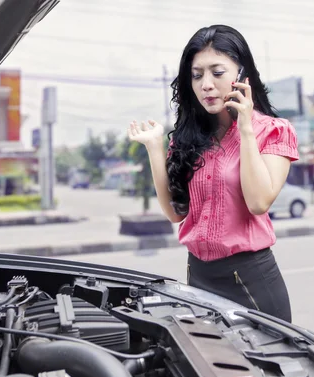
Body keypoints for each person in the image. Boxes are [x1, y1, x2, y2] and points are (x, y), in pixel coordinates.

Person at [127, 24, 299, 323]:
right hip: (198, 276)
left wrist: (245, 127)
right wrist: (155, 148)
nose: (206, 84)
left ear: (242, 75)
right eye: (197, 75)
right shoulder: (187, 139)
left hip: (250, 281)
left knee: (260, 370)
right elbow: (175, 213)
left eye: (217, 73)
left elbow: (259, 202)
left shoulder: (272, 131)